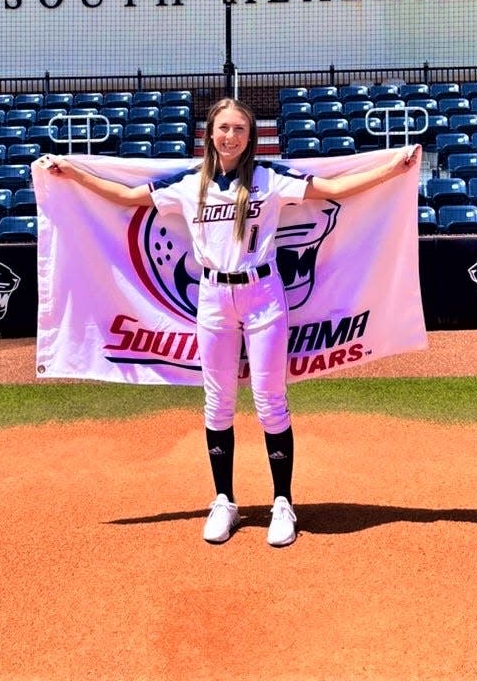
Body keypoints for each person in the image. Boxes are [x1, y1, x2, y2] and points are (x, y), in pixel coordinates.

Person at [38, 97, 421, 547]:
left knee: (270, 401)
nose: (231, 136)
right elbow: (125, 196)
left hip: (263, 294)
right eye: (223, 128)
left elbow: (332, 189)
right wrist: (70, 172)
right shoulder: (189, 184)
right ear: (210, 134)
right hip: (214, 297)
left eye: (239, 129)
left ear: (250, 136)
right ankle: (224, 500)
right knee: (217, 402)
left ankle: (282, 502)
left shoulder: (269, 179)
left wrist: (394, 169)